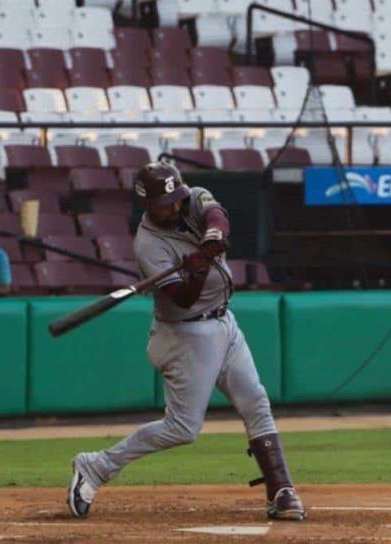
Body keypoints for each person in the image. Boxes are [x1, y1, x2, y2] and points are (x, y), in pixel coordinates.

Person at [66, 162, 305, 522]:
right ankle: (97, 466)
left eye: (176, 198)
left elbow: (216, 214)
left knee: (255, 400)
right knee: (182, 428)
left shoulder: (189, 199)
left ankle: (282, 490)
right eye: (166, 202)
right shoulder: (148, 245)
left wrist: (211, 238)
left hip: (224, 321)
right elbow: (182, 299)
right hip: (185, 334)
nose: (175, 206)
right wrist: (197, 270)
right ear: (148, 204)